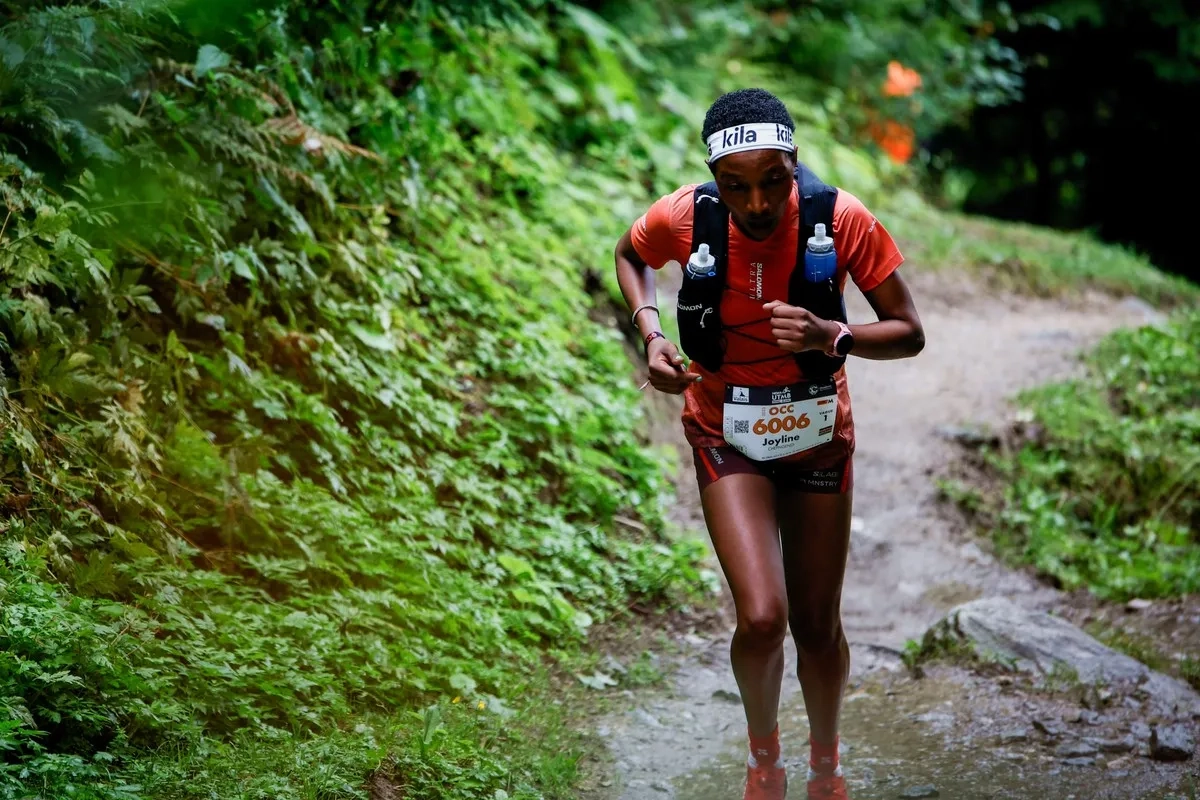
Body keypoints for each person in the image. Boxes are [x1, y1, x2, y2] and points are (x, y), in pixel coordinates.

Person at [613, 88, 925, 800]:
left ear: (794, 163)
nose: (755, 203)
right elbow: (631, 255)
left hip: (817, 437)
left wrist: (833, 336)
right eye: (736, 187)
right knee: (761, 616)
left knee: (817, 627)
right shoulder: (684, 216)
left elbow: (909, 330)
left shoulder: (842, 220)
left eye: (772, 181)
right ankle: (764, 760)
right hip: (725, 430)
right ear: (713, 179)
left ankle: (825, 763)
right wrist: (652, 334)